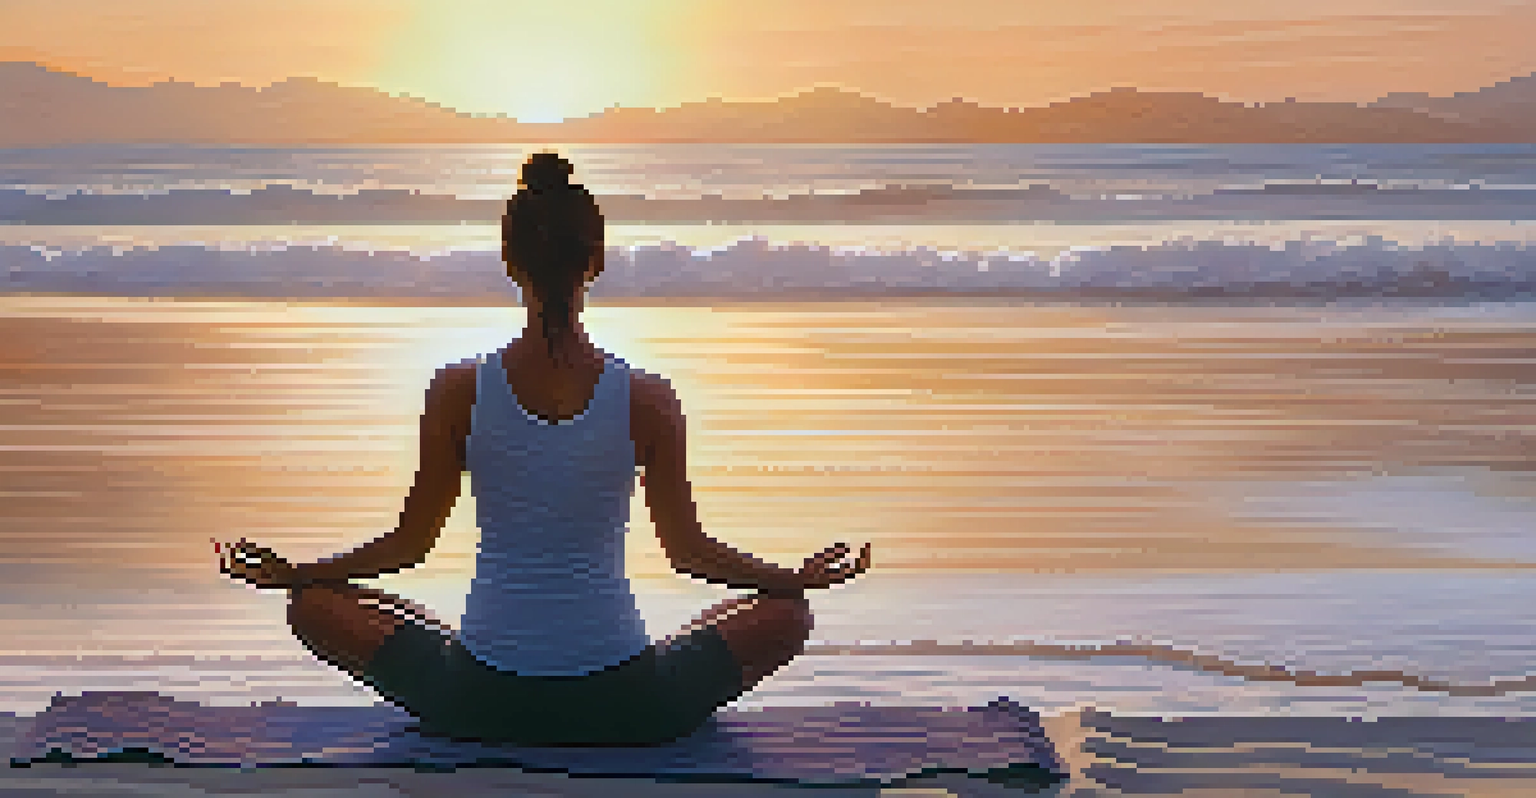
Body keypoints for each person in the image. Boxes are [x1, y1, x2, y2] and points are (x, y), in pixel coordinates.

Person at [217, 151, 873, 747]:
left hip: (475, 703)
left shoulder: (457, 390)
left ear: (509, 260)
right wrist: (794, 580)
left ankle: (465, 655)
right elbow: (688, 552)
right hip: (630, 707)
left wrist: (298, 574)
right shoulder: (647, 398)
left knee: (315, 606)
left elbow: (409, 545)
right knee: (784, 615)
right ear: (598, 261)